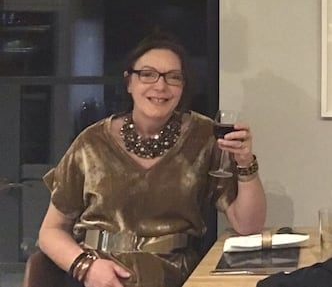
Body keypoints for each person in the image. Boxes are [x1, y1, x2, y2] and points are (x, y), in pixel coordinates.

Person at [37, 32, 267, 287]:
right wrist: (87, 267)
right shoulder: (91, 142)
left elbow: (248, 225)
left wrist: (245, 163)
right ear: (129, 82)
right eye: (147, 74)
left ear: (183, 86)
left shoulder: (203, 136)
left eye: (173, 77)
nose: (160, 86)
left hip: (174, 277)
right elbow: (51, 231)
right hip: (98, 275)